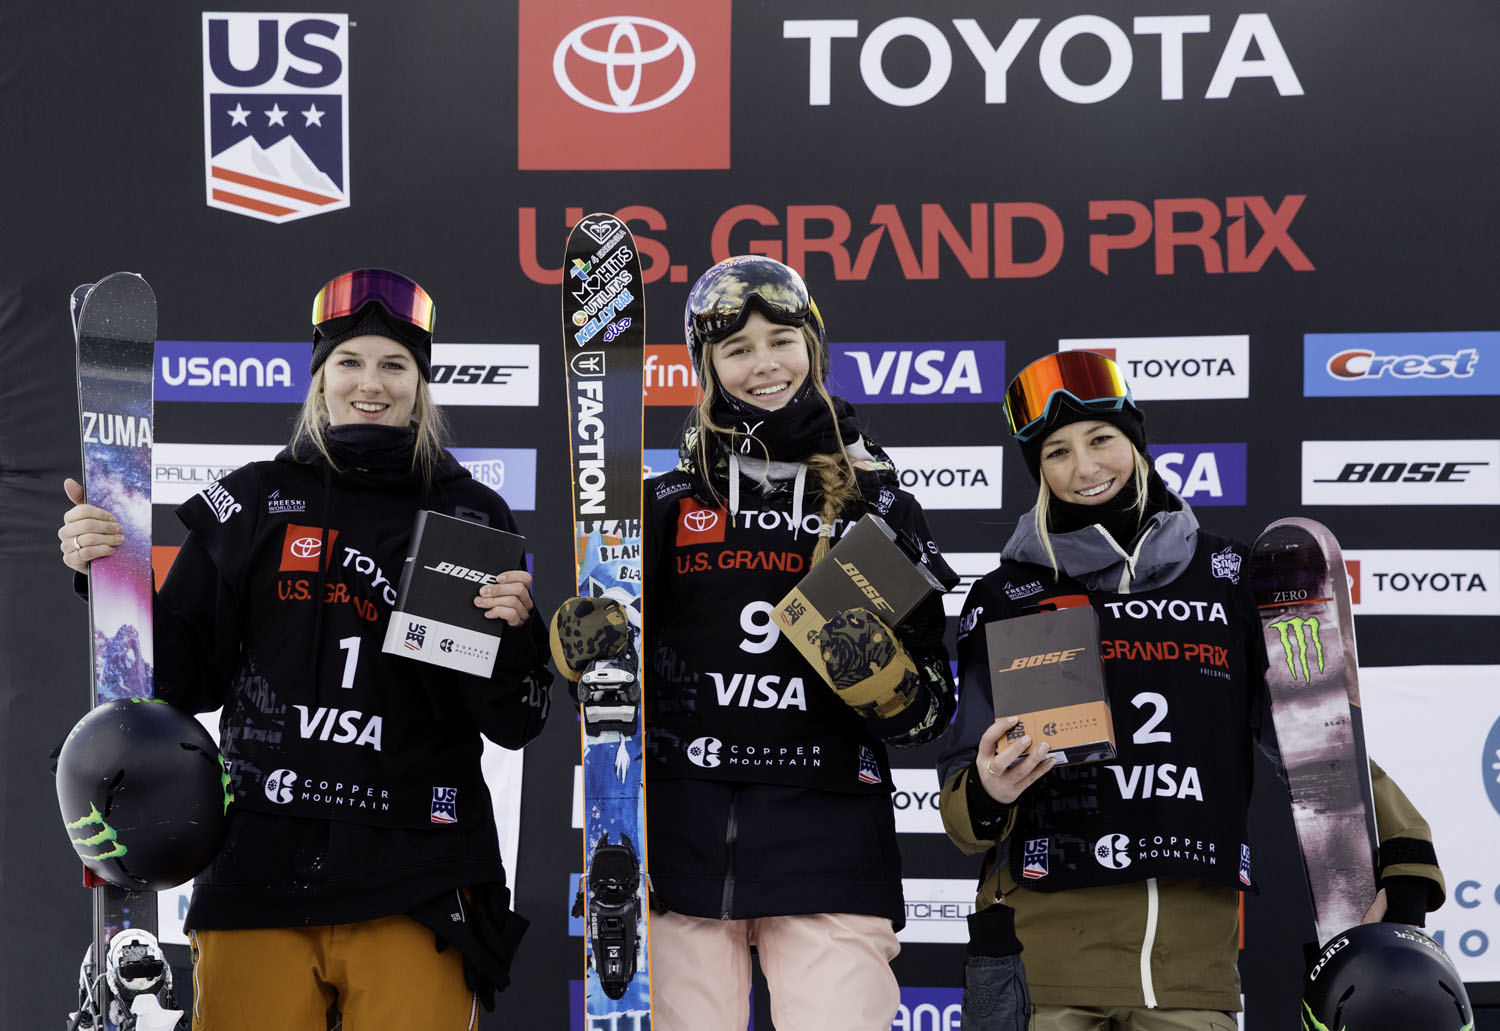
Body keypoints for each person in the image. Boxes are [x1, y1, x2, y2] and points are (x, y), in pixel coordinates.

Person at [58, 268, 553, 1030]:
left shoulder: (467, 513)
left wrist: (513, 637)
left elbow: (512, 721)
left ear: (422, 385)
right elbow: (182, 676)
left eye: (396, 365)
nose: (372, 384)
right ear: (319, 378)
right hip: (259, 865)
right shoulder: (258, 499)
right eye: (350, 362)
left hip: (416, 875)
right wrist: (111, 580)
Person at [936, 350, 1445, 1031]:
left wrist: (1402, 852)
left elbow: (1314, 735)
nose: (1084, 468)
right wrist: (989, 790)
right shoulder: (1009, 595)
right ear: (1038, 470)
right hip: (1043, 967)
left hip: (1191, 977)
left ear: (1136, 440)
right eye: (1056, 451)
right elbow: (960, 800)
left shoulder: (1229, 576)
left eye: (1101, 439)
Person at [549, 256, 960, 1031]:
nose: (764, 364)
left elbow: (933, 714)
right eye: (737, 350)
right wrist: (585, 651)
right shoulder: (663, 505)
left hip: (830, 846)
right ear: (706, 366)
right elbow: (605, 692)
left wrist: (888, 683)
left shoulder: (879, 505)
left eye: (781, 339)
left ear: (815, 344)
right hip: (680, 847)